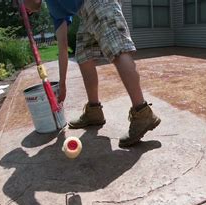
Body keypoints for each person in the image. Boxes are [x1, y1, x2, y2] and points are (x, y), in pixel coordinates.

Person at [24, 0, 161, 147]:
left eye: (25, 9)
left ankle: (142, 113)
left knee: (117, 48)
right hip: (85, 12)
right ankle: (94, 111)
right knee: (84, 55)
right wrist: (62, 85)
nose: (28, 12)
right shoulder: (55, 8)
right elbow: (62, 47)